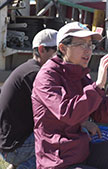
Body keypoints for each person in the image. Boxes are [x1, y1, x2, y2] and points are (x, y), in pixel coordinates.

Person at [31, 21, 108, 169]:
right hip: (58, 160)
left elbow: (105, 116)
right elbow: (68, 113)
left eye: (90, 45)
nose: (88, 51)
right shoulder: (47, 76)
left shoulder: (80, 73)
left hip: (82, 152)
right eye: (81, 45)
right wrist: (98, 86)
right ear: (63, 48)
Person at [0, 29, 58, 169]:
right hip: (15, 147)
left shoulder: (29, 69)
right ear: (41, 50)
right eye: (58, 51)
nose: (62, 57)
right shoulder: (35, 75)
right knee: (64, 140)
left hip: (11, 143)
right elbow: (56, 113)